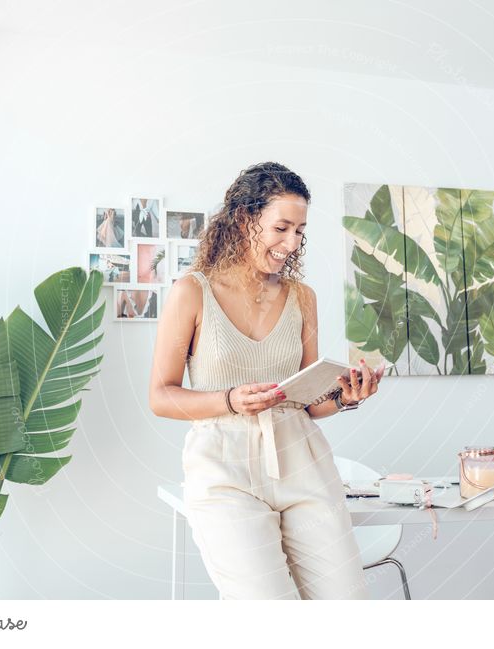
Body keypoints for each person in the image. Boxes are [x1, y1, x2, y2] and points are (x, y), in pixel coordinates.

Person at [149, 162, 384, 600]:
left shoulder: (302, 298)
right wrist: (230, 400)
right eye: (281, 228)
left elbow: (310, 402)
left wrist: (347, 396)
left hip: (304, 463)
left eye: (299, 231)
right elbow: (161, 396)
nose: (291, 243)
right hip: (224, 472)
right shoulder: (192, 292)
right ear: (244, 219)